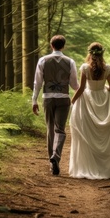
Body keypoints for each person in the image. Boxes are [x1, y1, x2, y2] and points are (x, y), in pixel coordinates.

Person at [69, 42, 110, 179]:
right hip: (103, 98)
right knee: (105, 133)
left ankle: (91, 165)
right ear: (102, 53)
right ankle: (106, 167)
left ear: (89, 54)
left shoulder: (85, 68)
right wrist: (104, 88)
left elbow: (81, 87)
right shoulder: (107, 68)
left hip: (88, 100)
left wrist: (72, 100)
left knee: (89, 133)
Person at [32, 35, 79, 176]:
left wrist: (34, 100)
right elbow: (74, 84)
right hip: (64, 99)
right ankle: (56, 157)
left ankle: (52, 163)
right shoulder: (70, 62)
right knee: (60, 130)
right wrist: (85, 91)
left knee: (50, 129)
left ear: (51, 45)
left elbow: (38, 83)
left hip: (48, 98)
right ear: (63, 46)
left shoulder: (43, 60)